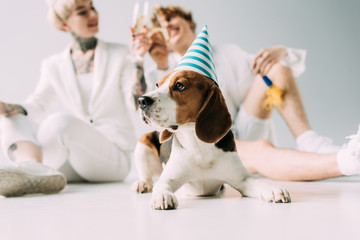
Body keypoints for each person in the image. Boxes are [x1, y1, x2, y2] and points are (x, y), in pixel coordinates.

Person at [130, 5, 360, 181]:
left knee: (276, 69)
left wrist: (279, 51)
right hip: (205, 143)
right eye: (160, 24)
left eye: (170, 18)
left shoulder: (228, 54)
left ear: (189, 22)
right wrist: (141, 61)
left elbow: (275, 73)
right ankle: (347, 161)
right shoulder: (163, 68)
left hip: (242, 126)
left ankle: (308, 140)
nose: (166, 24)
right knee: (259, 150)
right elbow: (143, 107)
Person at [0, 0, 143, 197]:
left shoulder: (121, 54)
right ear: (65, 24)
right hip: (73, 160)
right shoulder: (53, 65)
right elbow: (37, 104)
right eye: (82, 12)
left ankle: (30, 169)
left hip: (113, 158)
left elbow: (136, 103)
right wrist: (8, 107)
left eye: (92, 8)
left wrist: (139, 61)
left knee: (59, 122)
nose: (93, 15)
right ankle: (34, 169)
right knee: (11, 117)